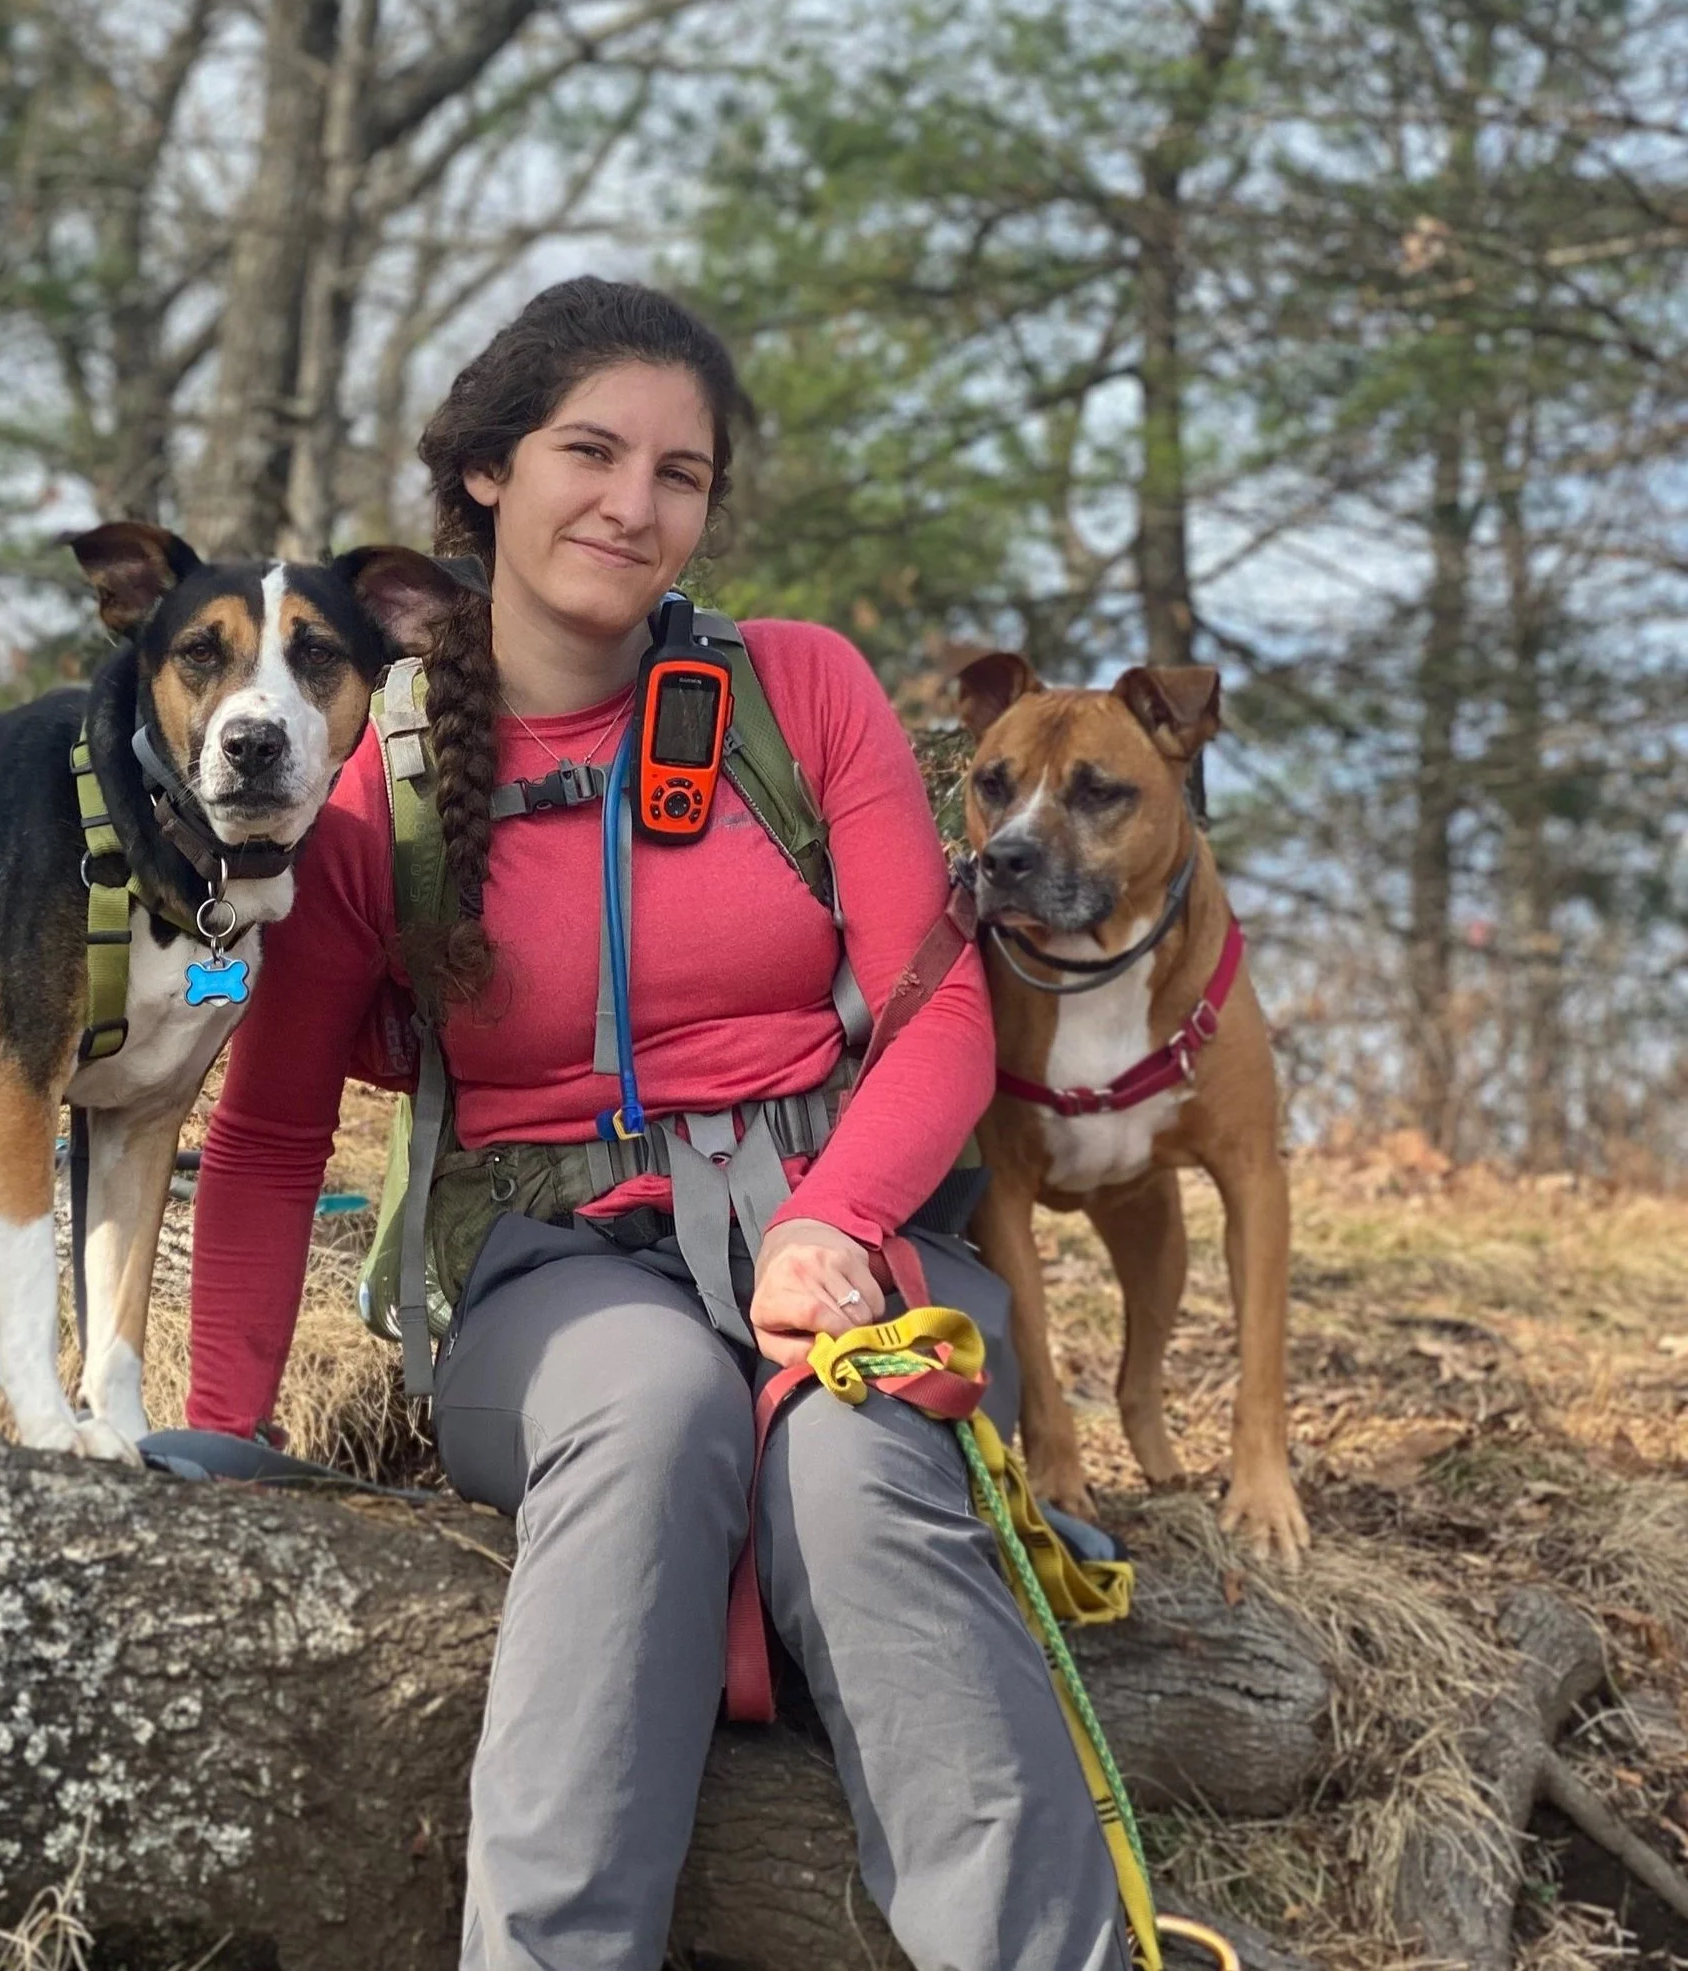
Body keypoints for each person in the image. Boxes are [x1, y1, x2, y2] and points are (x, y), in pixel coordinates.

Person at [184, 277, 1130, 1971]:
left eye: (677, 474)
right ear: (486, 469)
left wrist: (831, 1223)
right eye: (590, 451)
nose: (633, 503)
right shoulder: (374, 787)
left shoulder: (801, 692)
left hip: (851, 1232)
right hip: (550, 1265)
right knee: (649, 1405)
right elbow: (264, 1137)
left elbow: (936, 1015)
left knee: (847, 1465)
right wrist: (218, 1423)